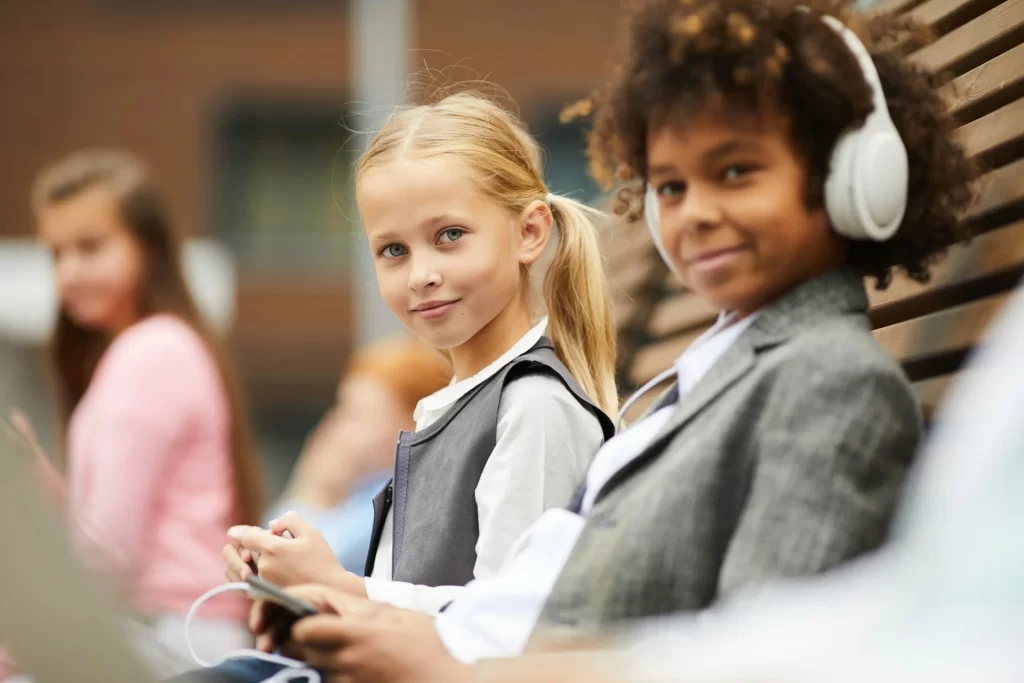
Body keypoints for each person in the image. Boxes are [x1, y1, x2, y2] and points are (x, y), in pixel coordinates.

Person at [237, 0, 977, 678]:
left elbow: (761, 659)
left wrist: (443, 669)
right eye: (673, 186)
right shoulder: (704, 379)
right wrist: (352, 600)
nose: (696, 213)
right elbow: (517, 606)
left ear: (854, 178)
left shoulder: (833, 384)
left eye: (737, 172)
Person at [203, 91, 618, 683]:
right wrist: (314, 605)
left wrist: (340, 586)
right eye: (393, 250)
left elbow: (505, 633)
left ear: (529, 232)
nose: (422, 273)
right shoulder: (455, 406)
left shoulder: (535, 405)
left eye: (450, 235)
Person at [5, 149, 264, 676]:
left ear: (148, 248)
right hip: (180, 631)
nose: (70, 271)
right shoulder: (157, 347)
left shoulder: (151, 353)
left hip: (170, 635)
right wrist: (38, 479)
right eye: (56, 253)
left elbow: (107, 556)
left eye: (90, 247)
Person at [261, 337, 452, 574]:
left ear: (413, 424)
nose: (336, 425)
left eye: (358, 415)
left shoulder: (403, 504)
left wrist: (314, 492)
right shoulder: (359, 493)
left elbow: (290, 564)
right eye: (341, 409)